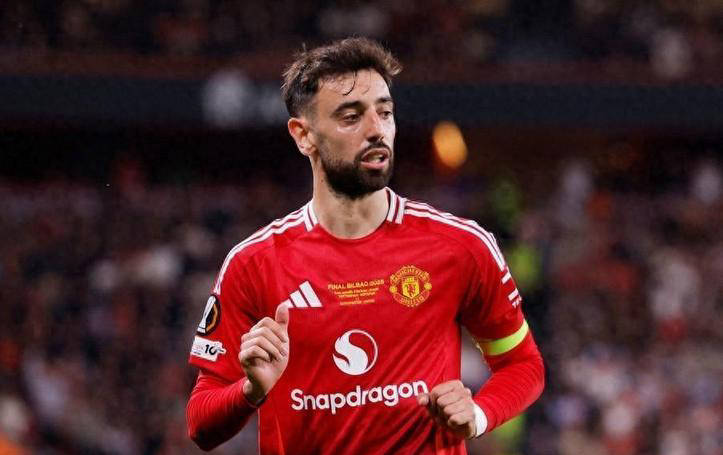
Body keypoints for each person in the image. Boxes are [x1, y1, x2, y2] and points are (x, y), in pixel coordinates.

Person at [186, 37, 544, 454]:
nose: (376, 130)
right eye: (351, 116)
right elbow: (200, 424)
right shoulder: (254, 263)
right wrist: (250, 391)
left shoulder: (460, 246)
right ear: (303, 135)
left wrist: (479, 414)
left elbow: (523, 364)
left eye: (384, 112)